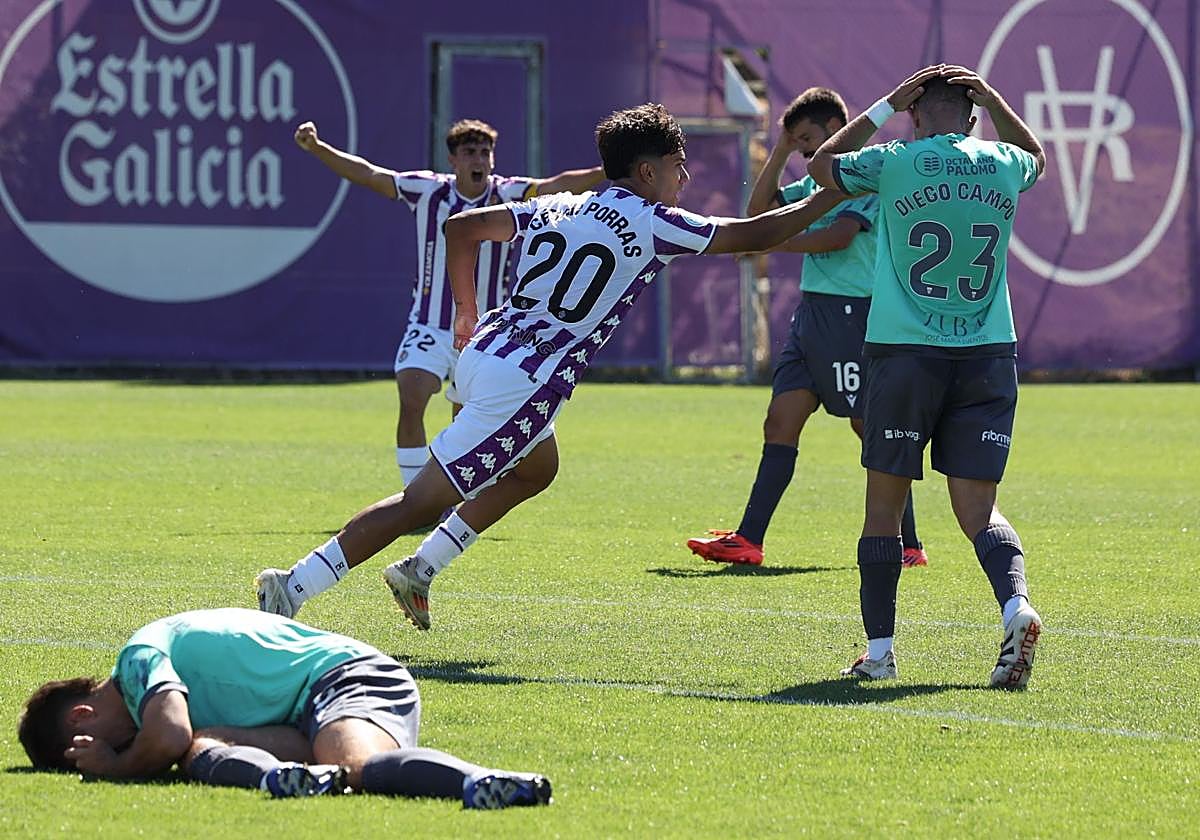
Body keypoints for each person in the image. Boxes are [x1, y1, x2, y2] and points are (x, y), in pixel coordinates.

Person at [256, 103, 846, 630]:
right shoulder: (652, 220)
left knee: (538, 469)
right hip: (526, 382)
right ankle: (293, 586)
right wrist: (836, 188)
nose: (684, 177)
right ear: (646, 173)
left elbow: (460, 228)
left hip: (488, 351)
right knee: (421, 499)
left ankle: (420, 567)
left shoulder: (561, 205)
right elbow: (760, 231)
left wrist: (465, 311)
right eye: (677, 165)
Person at [807, 65, 1045, 687]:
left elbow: (822, 166)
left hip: (904, 351)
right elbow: (1036, 155)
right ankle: (1016, 605)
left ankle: (880, 652)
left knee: (883, 508)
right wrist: (994, 97)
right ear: (973, 117)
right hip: (989, 352)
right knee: (978, 509)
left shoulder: (895, 160)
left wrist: (885, 101)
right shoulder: (1001, 161)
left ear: (916, 114)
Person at [685, 87, 926, 568]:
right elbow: (760, 212)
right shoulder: (815, 187)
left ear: (840, 131)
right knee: (780, 421)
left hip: (852, 316)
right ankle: (749, 539)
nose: (807, 151)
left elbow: (837, 238)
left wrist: (769, 246)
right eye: (799, 143)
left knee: (869, 428)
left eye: (811, 140)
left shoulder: (867, 180)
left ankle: (909, 545)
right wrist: (778, 150)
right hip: (813, 317)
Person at [294, 118, 606, 485]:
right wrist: (317, 148)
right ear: (453, 159)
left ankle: (455, 496)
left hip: (485, 331)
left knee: (465, 419)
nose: (479, 159)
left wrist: (607, 170)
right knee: (411, 397)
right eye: (470, 152)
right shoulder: (428, 190)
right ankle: (413, 496)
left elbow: (559, 185)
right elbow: (371, 175)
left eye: (485, 152)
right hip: (428, 322)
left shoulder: (508, 195)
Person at [18, 608, 551, 808]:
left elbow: (167, 736)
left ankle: (484, 783)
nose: (121, 746)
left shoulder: (136, 657)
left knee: (356, 767)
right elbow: (184, 740)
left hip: (346, 677)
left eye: (94, 746)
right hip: (296, 715)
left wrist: (118, 767)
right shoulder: (151, 680)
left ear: (80, 717)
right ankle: (288, 780)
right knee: (207, 745)